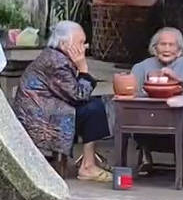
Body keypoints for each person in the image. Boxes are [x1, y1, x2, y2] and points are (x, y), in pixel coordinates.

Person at [10, 20, 111, 181]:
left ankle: (88, 161)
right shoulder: (57, 62)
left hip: (47, 110)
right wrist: (83, 69)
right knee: (94, 109)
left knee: (93, 104)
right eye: (80, 43)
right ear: (64, 44)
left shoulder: (55, 56)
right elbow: (78, 95)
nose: (85, 47)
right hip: (40, 118)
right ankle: (88, 166)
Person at [129, 26, 183, 97]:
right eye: (163, 44)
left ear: (179, 50)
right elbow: (132, 96)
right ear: (155, 48)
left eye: (171, 45)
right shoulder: (140, 68)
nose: (167, 49)